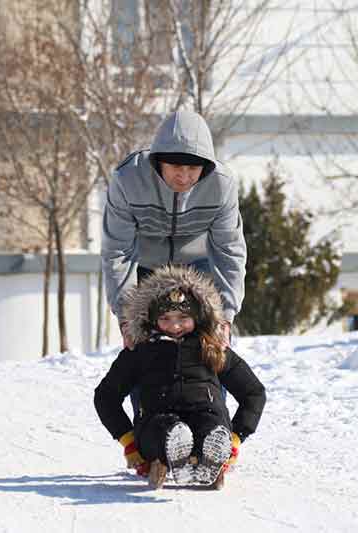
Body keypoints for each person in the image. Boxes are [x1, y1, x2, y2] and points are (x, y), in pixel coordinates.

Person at [94, 265, 265, 489]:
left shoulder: (211, 348)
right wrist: (128, 441)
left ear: (198, 315)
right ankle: (176, 452)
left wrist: (235, 437)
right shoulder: (141, 351)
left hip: (207, 414)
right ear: (151, 318)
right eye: (165, 318)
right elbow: (106, 396)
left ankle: (213, 453)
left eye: (183, 317)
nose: (174, 326)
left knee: (211, 427)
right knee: (165, 430)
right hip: (157, 422)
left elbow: (253, 392)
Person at [101, 109, 247, 349]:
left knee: (210, 342)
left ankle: (210, 386)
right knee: (144, 345)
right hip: (146, 265)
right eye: (176, 165)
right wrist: (127, 320)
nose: (184, 176)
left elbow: (229, 251)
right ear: (159, 160)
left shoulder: (222, 185)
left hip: (199, 265)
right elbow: (118, 251)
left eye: (193, 168)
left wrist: (225, 317)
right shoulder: (128, 179)